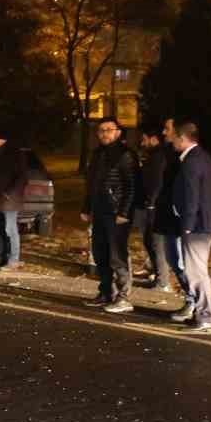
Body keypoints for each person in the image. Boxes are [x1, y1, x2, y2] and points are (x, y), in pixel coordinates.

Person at [170, 120, 211, 332]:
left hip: (197, 226)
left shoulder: (192, 161)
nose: (172, 141)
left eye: (174, 137)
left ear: (182, 138)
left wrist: (187, 226)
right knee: (197, 270)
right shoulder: (202, 156)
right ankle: (203, 314)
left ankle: (205, 317)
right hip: (204, 223)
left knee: (196, 272)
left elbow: (192, 196)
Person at [82, 118, 137, 312]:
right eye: (101, 130)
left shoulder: (125, 155)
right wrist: (87, 208)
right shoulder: (97, 154)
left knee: (117, 255)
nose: (104, 133)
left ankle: (124, 297)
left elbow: (131, 186)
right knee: (100, 254)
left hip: (116, 214)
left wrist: (124, 212)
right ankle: (106, 292)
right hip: (99, 211)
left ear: (118, 132)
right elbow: (91, 184)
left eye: (109, 130)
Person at [153, 117, 193, 309]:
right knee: (174, 261)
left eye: (167, 129)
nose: (163, 132)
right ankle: (191, 299)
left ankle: (194, 301)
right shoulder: (168, 154)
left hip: (180, 219)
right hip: (168, 217)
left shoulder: (188, 158)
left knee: (183, 263)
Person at [133, 125, 174, 292]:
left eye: (144, 139)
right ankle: (159, 277)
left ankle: (163, 282)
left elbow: (156, 182)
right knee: (151, 242)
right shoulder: (154, 156)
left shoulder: (158, 157)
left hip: (153, 207)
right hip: (149, 205)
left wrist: (151, 202)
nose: (142, 143)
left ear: (153, 139)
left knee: (156, 243)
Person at [0, 129, 29, 271]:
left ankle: (13, 260)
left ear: (3, 139)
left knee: (10, 229)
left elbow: (22, 177)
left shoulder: (15, 154)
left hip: (9, 200)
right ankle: (1, 257)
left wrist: (10, 193)